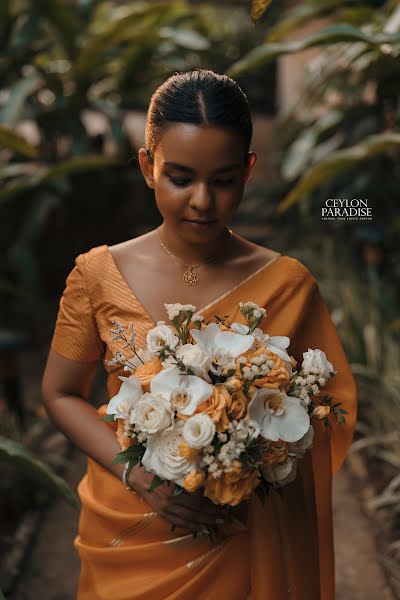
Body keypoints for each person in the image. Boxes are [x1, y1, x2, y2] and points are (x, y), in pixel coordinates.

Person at [42, 69, 357, 600]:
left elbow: (319, 415)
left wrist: (245, 451)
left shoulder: (288, 285)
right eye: (181, 178)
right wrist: (143, 479)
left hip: (244, 537)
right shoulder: (97, 275)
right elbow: (59, 393)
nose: (203, 202)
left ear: (249, 171)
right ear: (148, 167)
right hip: (127, 532)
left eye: (224, 180)